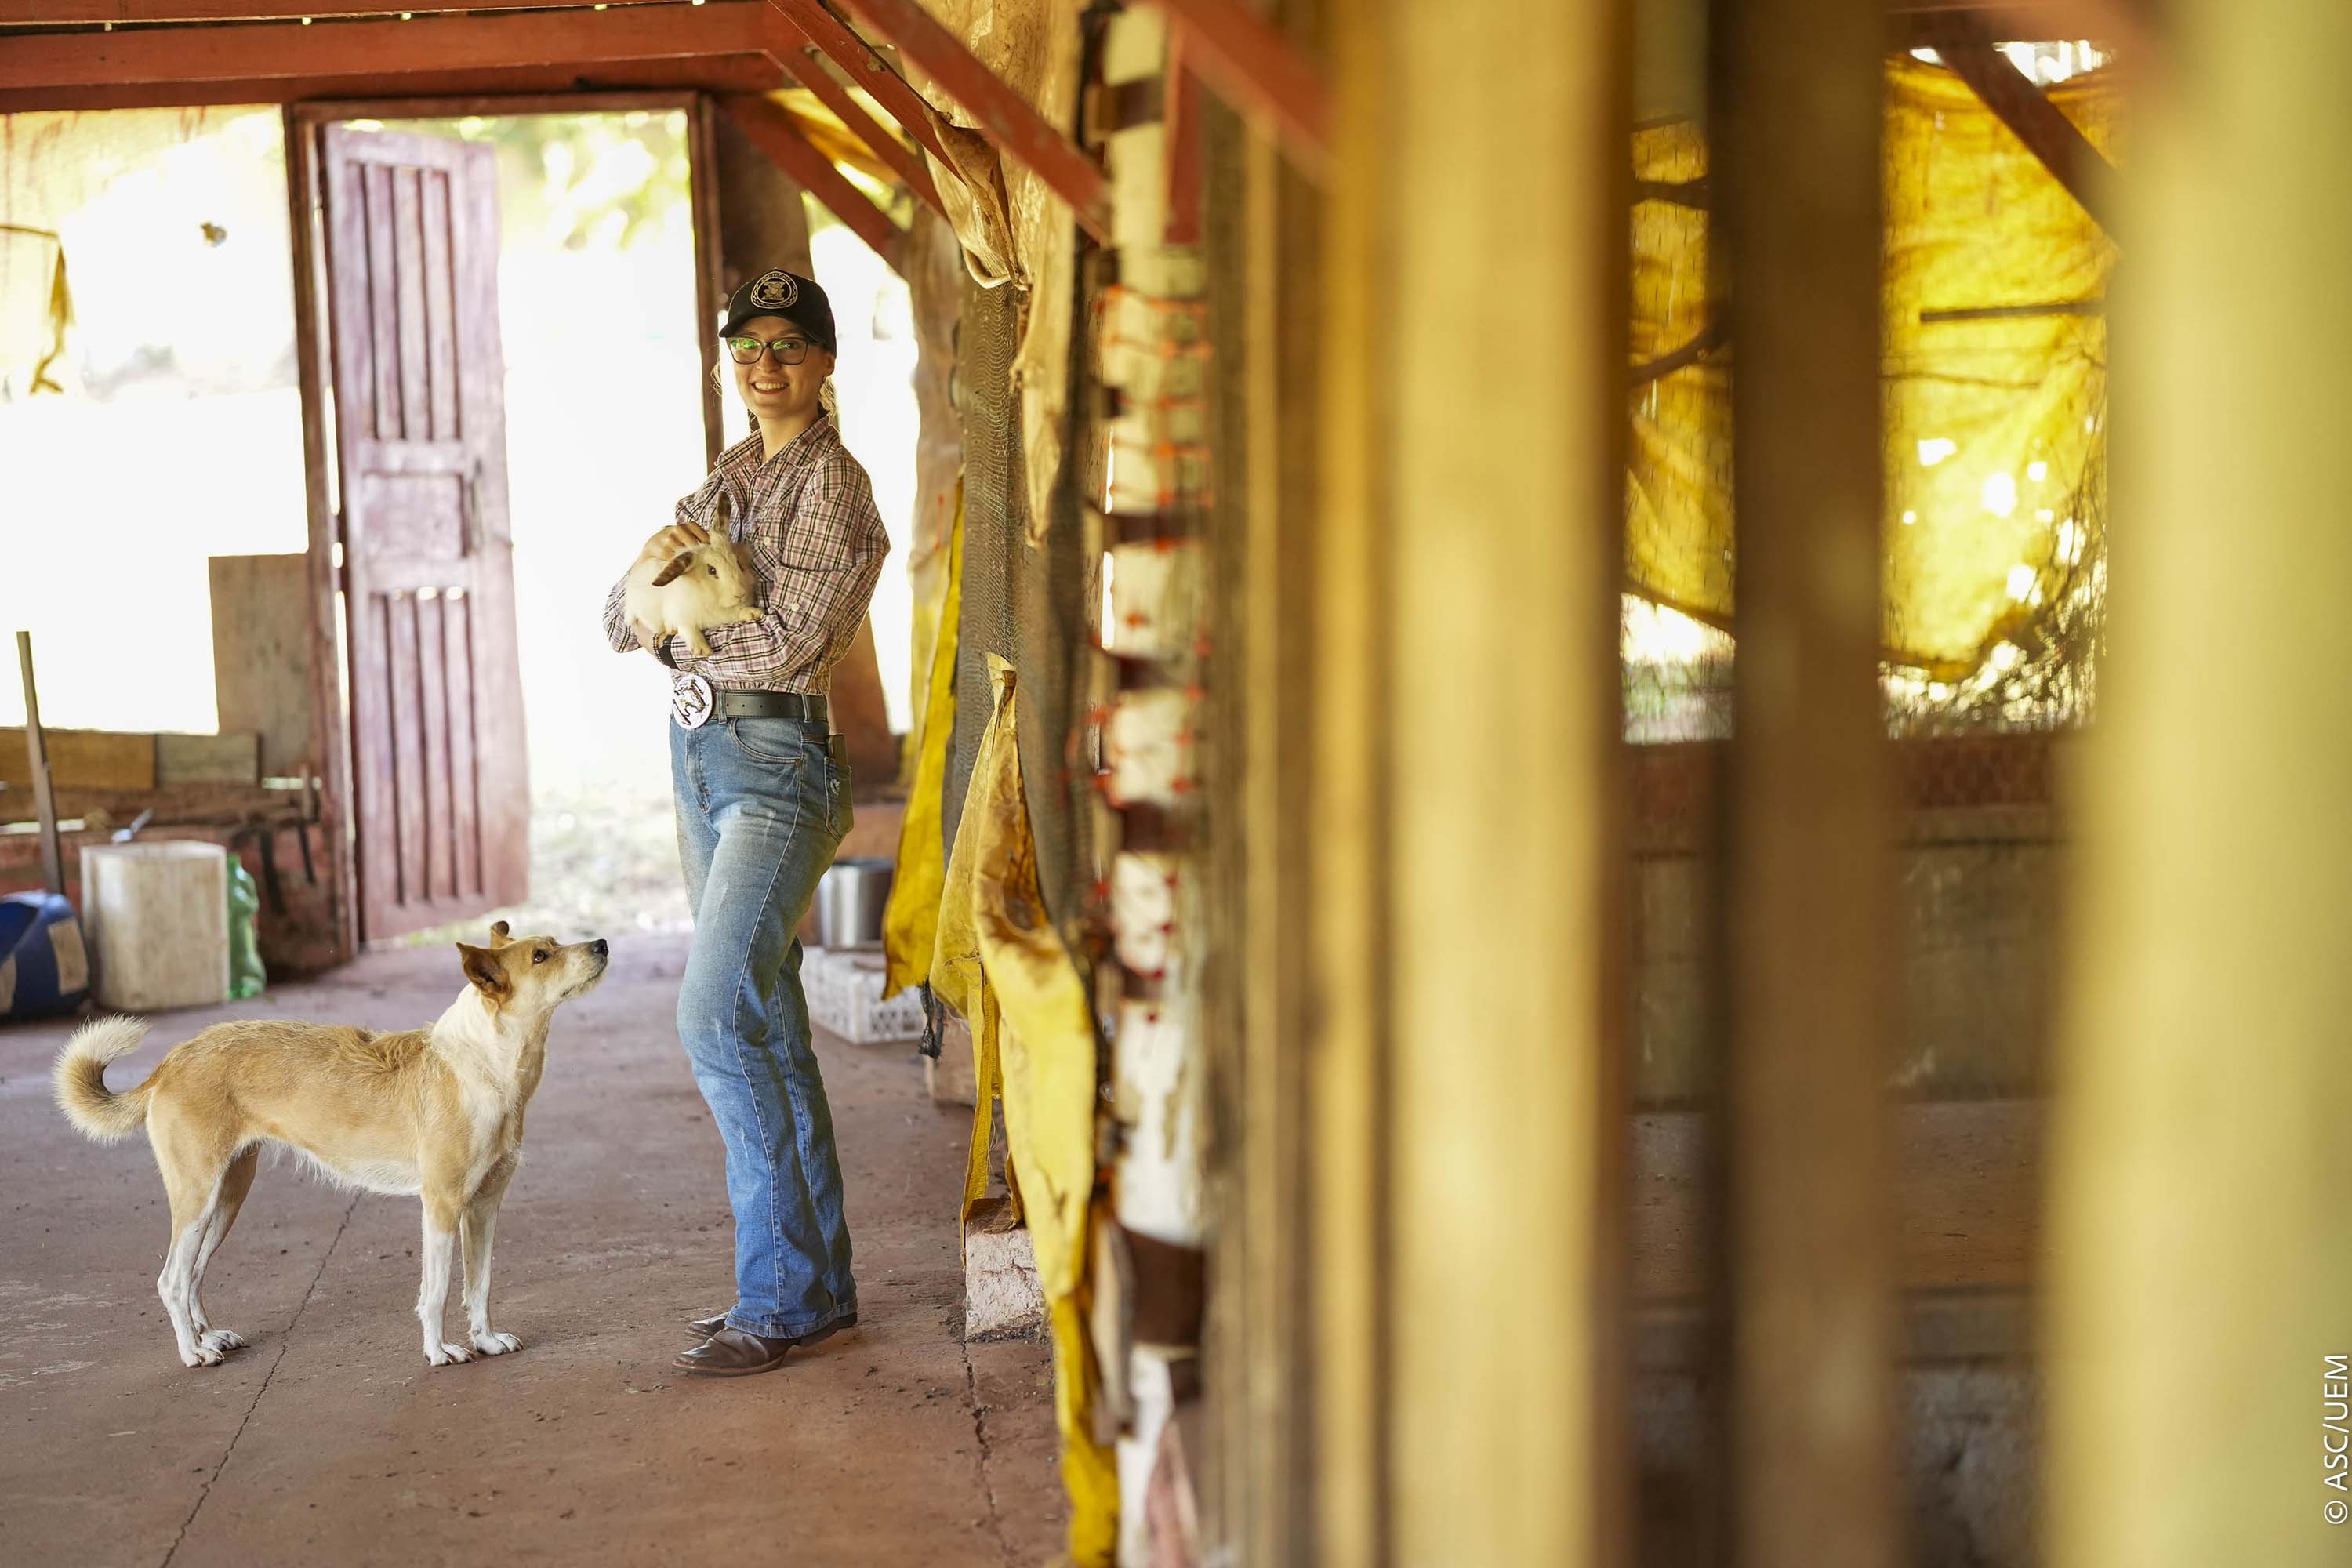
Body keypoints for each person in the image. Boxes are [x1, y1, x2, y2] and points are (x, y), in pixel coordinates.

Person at [601, 267, 887, 1377]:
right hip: (702, 755)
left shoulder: (837, 488)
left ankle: (780, 1299)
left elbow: (793, 640)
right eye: (747, 349)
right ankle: (812, 1293)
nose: (764, 365)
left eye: (786, 346)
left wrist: (677, 621)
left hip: (777, 762)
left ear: (823, 361)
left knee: (716, 1014)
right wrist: (666, 600)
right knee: (765, 1017)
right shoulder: (725, 479)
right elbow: (616, 617)